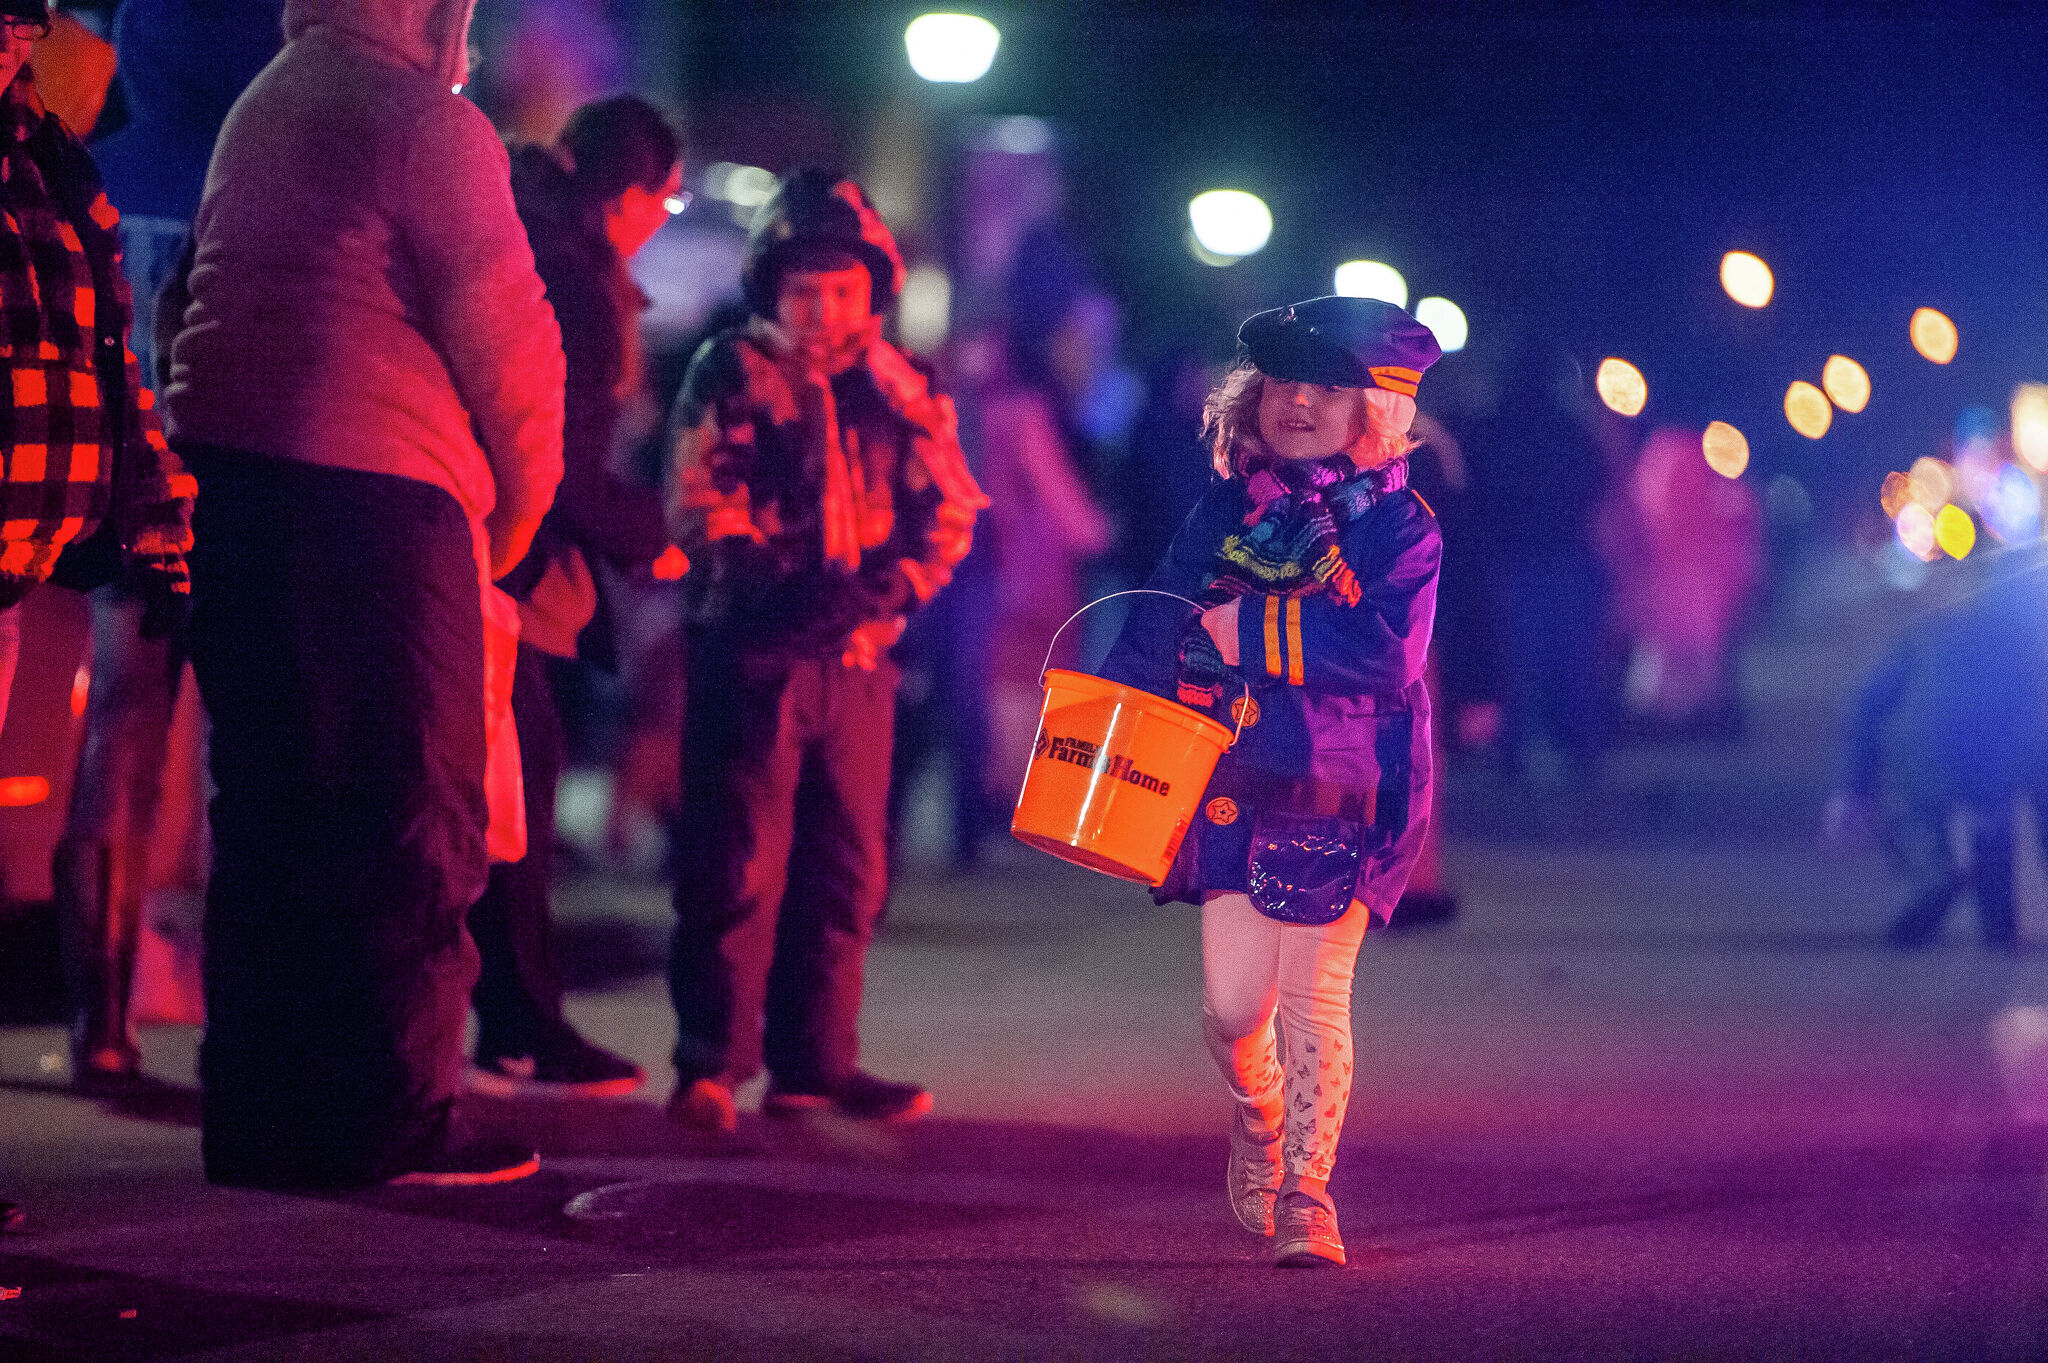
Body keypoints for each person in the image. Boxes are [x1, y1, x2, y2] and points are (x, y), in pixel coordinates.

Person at [164, 0, 564, 1189]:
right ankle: (390, 1116)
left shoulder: (267, 102)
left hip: (232, 481)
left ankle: (258, 1116)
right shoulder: (424, 125)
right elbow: (508, 338)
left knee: (274, 813)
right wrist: (518, 513)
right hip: (382, 501)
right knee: (406, 818)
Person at [1101, 295, 1443, 1267]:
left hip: (1343, 784)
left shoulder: (1401, 528)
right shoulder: (1223, 508)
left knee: (1313, 994)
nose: (1296, 402)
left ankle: (1306, 1190)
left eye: (1326, 386)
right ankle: (1255, 1116)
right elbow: (1162, 613)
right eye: (1281, 382)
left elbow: (1384, 653)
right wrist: (1104, 710)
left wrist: (1244, 632)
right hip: (1228, 780)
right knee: (1230, 1008)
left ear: (1373, 409)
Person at [665, 169, 987, 1133]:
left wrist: (889, 590)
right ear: (770, 287)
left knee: (848, 865)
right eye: (804, 289)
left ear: (873, 291)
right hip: (753, 652)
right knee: (736, 862)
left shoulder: (903, 382)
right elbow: (698, 498)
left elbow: (954, 506)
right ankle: (710, 1064)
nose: (823, 309)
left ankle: (816, 1063)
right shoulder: (730, 369)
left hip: (859, 660)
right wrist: (782, 586)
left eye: (843, 289)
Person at [50, 0, 284, 1096]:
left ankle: (101, 1019)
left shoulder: (88, 166)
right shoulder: (261, 171)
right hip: (235, 481)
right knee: (250, 756)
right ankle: (242, 1016)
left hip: (111, 492)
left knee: (119, 742)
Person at [0, 0, 195, 1223]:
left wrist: (147, 500)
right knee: (117, 765)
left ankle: (106, 1018)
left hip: (27, 543)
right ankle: (103, 1021)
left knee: (115, 769)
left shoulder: (51, 163)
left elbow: (104, 346)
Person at [470, 95, 685, 1097]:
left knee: (503, 787)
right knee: (513, 791)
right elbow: (555, 456)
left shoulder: (519, 234)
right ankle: (518, 1023)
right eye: (666, 205)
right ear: (634, 196)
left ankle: (512, 1018)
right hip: (503, 562)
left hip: (485, 547)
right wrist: (658, 539)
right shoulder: (577, 278)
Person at [1829, 548, 2048, 952]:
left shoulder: (1925, 637)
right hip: (1995, 767)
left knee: (1916, 820)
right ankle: (1998, 927)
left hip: (1924, 763)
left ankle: (1936, 878)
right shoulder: (2027, 648)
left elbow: (1868, 708)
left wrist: (1855, 789)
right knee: (1993, 826)